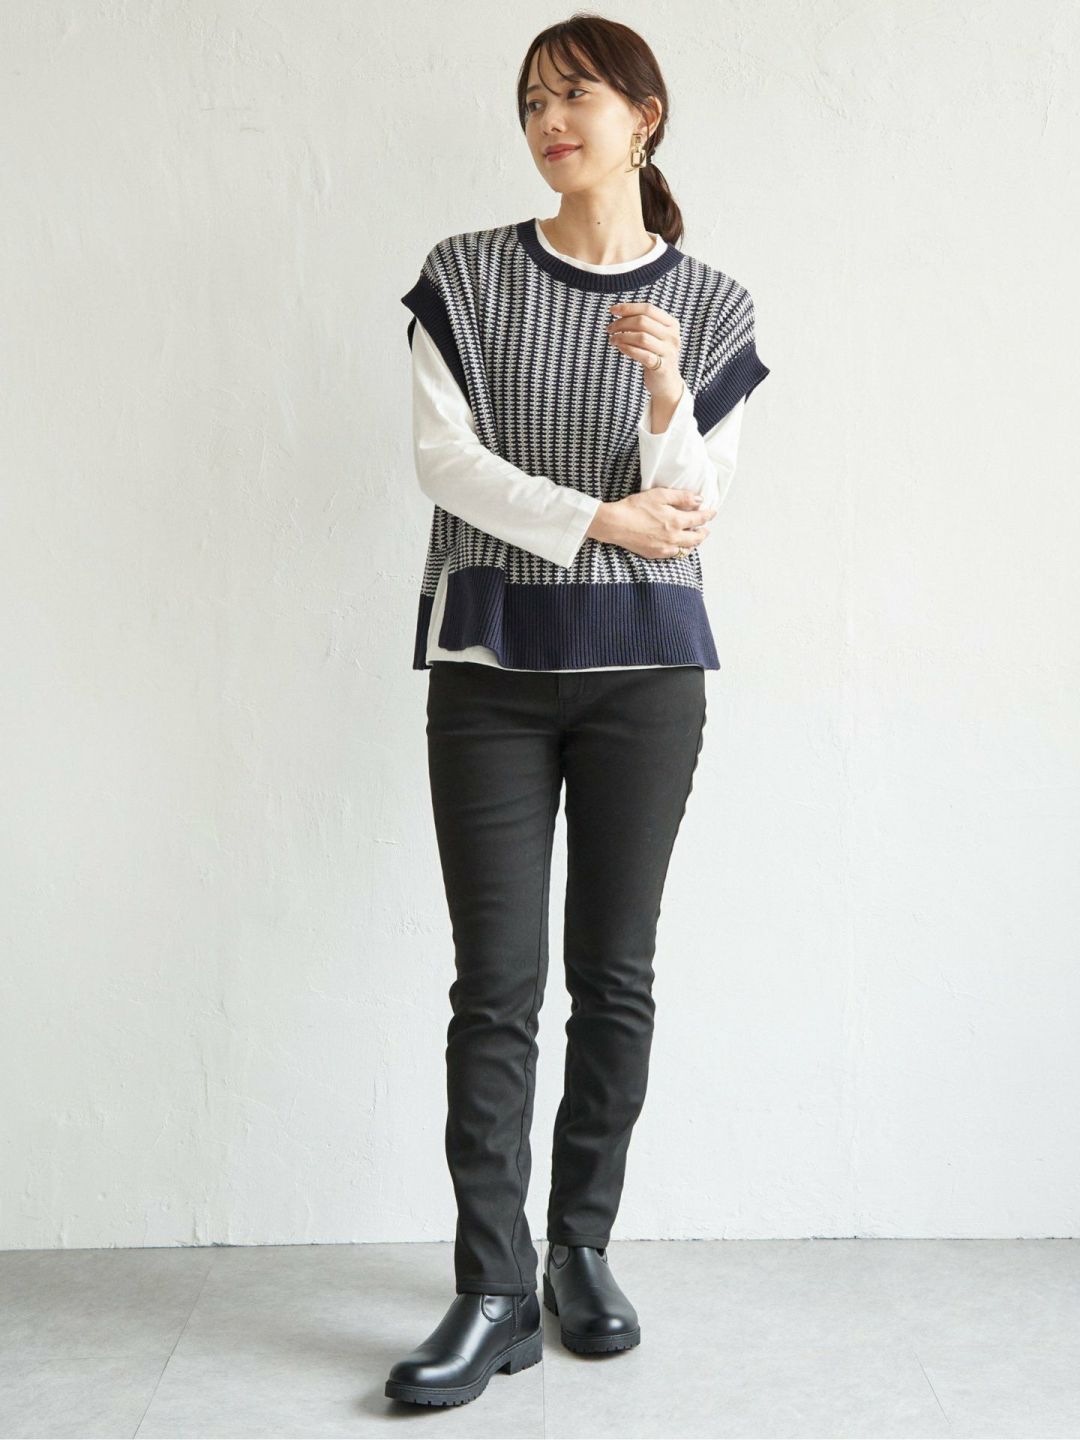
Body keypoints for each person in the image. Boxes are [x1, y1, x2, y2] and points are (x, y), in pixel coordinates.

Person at [385, 12, 769, 1408]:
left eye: (578, 98)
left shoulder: (712, 303)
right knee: (494, 987)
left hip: (644, 677)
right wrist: (597, 516)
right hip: (490, 669)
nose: (551, 123)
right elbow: (445, 464)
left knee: (614, 976)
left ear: (643, 116)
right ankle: (492, 1287)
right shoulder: (467, 275)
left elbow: (696, 505)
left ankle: (580, 1250)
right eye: (534, 102)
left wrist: (665, 390)